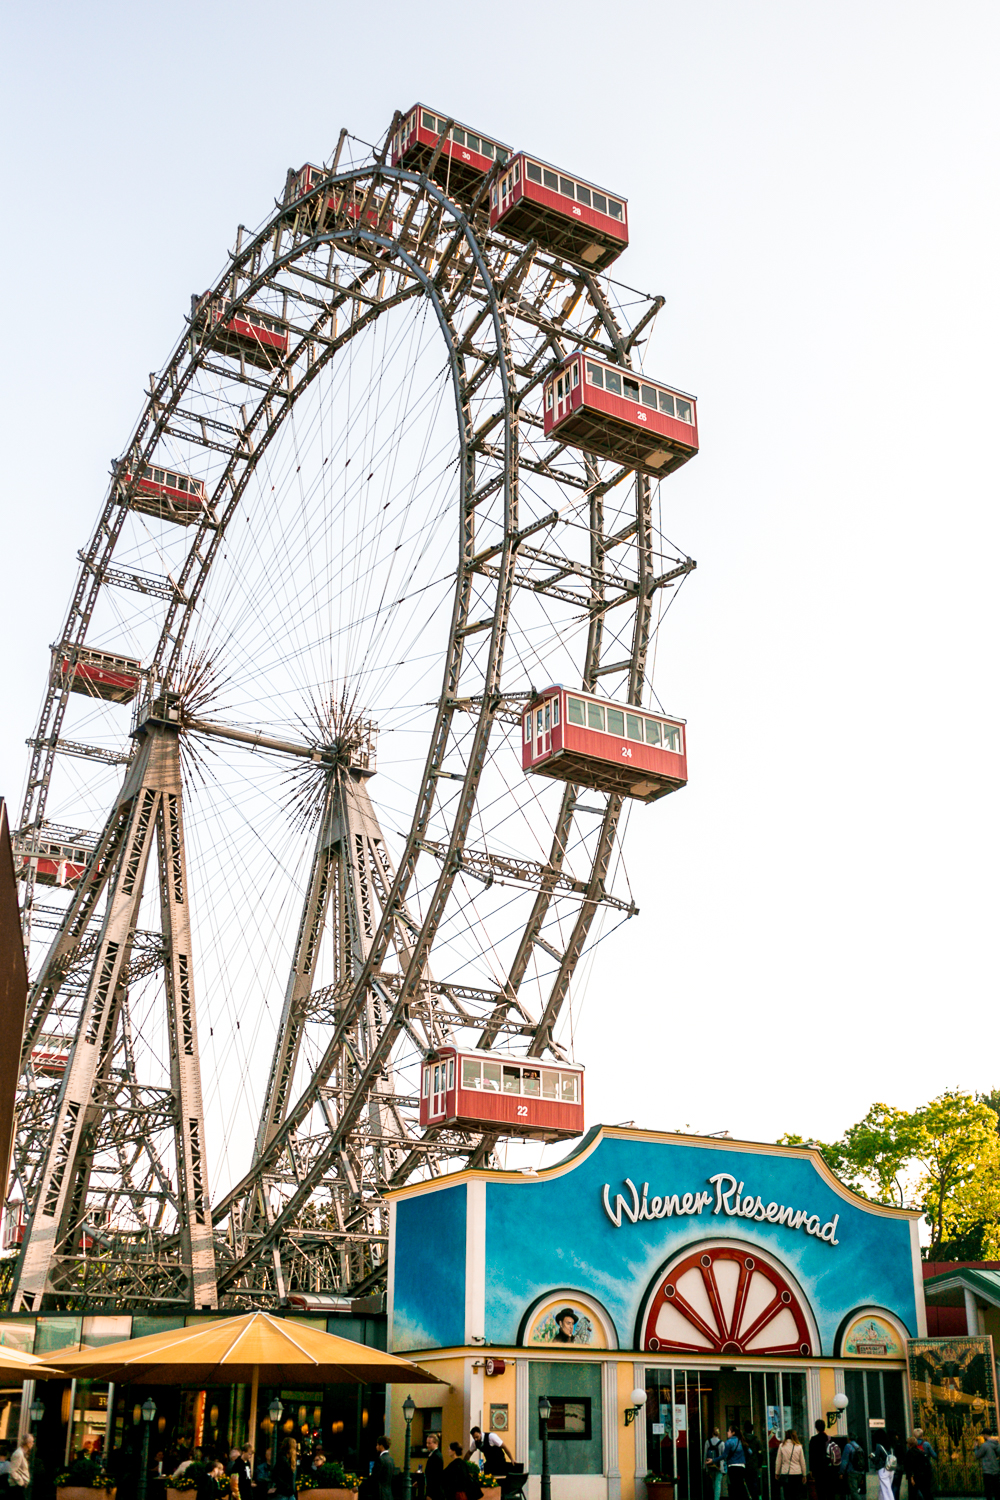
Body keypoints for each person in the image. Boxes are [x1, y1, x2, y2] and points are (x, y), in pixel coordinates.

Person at [774, 1430, 806, 1500]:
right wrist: (804, 1474)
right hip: (797, 1473)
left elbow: (778, 1461)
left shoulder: (782, 1446)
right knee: (796, 1494)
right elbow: (802, 1462)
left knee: (787, 1495)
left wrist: (777, 1472)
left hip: (785, 1473)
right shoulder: (799, 1447)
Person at [809, 1422, 834, 1500]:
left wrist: (811, 1469)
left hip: (818, 1468)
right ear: (824, 1427)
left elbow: (811, 1455)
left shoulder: (813, 1439)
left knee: (820, 1490)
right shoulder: (829, 1439)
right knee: (829, 1490)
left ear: (816, 1428)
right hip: (829, 1468)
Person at [723, 1425, 748, 1500]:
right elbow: (750, 1452)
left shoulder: (729, 1442)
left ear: (733, 1433)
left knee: (733, 1486)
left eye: (729, 1431)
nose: (727, 1432)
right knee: (740, 1485)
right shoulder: (742, 1441)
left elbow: (725, 1455)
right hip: (741, 1466)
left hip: (732, 1466)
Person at [975, 1431, 1000, 1500]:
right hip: (996, 1470)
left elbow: (977, 1455)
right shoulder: (997, 1444)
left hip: (988, 1471)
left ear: (985, 1435)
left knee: (988, 1491)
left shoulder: (985, 1445)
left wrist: (976, 1447)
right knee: (997, 1490)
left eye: (982, 1435)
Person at [871, 1434, 896, 1500]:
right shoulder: (890, 1446)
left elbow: (876, 1459)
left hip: (883, 1470)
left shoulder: (879, 1446)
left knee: (886, 1489)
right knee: (885, 1488)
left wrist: (872, 1457)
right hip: (891, 1469)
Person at [840, 1433, 864, 1500]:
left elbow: (844, 1461)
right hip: (860, 1473)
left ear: (848, 1439)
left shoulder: (848, 1446)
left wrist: (841, 1472)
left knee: (853, 1492)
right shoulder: (859, 1447)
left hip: (852, 1472)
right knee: (855, 1491)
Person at [704, 1427, 725, 1500]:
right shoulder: (722, 1443)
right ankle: (716, 1498)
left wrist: (705, 1467)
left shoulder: (707, 1442)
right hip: (719, 1466)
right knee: (718, 1483)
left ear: (712, 1433)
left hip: (710, 1465)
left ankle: (715, 1497)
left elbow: (705, 1455)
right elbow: (724, 1456)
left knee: (713, 1482)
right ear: (718, 1434)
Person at [424, 1434, 444, 1500]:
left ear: (436, 1443)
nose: (427, 1445)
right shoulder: (435, 1455)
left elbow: (435, 1477)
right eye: (427, 1443)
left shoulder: (436, 1456)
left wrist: (430, 1494)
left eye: (429, 1443)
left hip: (434, 1492)